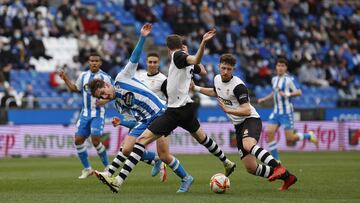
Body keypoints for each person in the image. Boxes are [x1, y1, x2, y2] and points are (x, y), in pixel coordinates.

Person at [91, 29, 237, 193]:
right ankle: (226, 162)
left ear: (167, 51)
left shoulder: (171, 65)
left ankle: (118, 179)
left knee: (155, 150)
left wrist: (200, 44)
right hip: (176, 110)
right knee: (200, 139)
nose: (152, 64)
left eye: (154, 62)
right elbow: (200, 69)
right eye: (150, 62)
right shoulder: (122, 98)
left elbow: (194, 62)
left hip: (166, 111)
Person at [91, 23, 192, 192]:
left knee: (158, 153)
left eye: (103, 91)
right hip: (146, 120)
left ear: (107, 84)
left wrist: (143, 37)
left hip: (160, 113)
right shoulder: (119, 104)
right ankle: (112, 172)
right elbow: (135, 121)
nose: (104, 95)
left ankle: (116, 178)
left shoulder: (122, 77)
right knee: (127, 148)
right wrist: (122, 122)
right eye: (101, 96)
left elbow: (134, 57)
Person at [193, 53, 297, 191]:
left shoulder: (238, 86)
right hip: (238, 125)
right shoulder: (217, 79)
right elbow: (215, 92)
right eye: (223, 68)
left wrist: (228, 110)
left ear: (233, 70)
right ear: (219, 66)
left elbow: (247, 110)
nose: (225, 72)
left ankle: (278, 167)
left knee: (248, 145)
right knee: (251, 168)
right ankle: (288, 177)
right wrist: (196, 88)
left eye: (229, 69)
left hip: (250, 119)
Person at [59, 52, 111, 179]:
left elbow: (113, 94)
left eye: (96, 61)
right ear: (88, 62)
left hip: (98, 113)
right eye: (91, 61)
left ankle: (108, 167)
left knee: (95, 139)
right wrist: (65, 78)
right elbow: (74, 89)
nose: (94, 63)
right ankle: (87, 169)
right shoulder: (83, 76)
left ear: (100, 63)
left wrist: (105, 100)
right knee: (78, 140)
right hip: (85, 113)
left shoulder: (105, 77)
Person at [258, 58, 318, 162]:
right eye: (278, 65)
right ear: (276, 67)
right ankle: (276, 160)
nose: (280, 68)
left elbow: (299, 92)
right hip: (276, 112)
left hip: (286, 113)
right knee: (270, 132)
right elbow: (274, 93)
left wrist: (287, 94)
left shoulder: (289, 80)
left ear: (286, 68)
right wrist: (265, 99)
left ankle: (309, 135)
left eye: (282, 66)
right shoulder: (274, 79)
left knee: (290, 138)